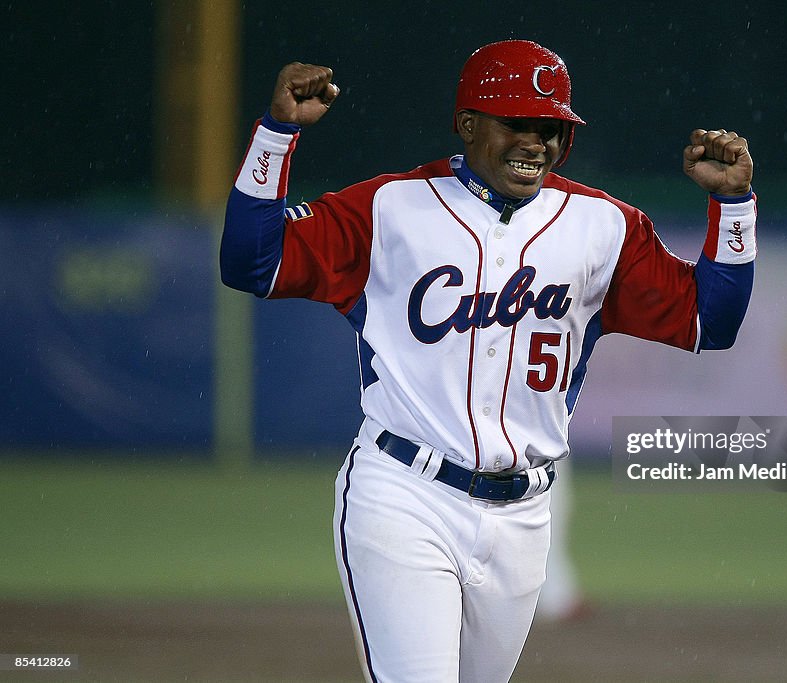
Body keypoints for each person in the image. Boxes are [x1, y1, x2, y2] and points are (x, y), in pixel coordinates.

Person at [221, 40, 756, 683]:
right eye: (516, 122)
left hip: (524, 518)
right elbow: (251, 262)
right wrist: (276, 135)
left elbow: (709, 322)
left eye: (550, 127)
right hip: (406, 493)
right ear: (468, 123)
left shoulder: (602, 226)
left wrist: (734, 207)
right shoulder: (391, 208)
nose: (535, 142)